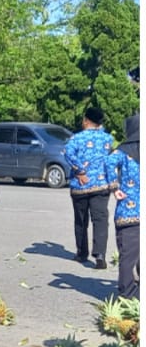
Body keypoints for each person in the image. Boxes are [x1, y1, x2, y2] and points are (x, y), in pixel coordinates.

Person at [64, 104, 115, 269]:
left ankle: (82, 253)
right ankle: (100, 255)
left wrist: (80, 171)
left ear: (86, 120)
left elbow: (68, 153)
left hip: (80, 185)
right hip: (101, 185)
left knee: (81, 220)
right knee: (100, 220)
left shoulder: (76, 139)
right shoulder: (108, 139)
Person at [107, 112, 139, 300]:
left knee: (128, 255)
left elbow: (108, 162)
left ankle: (127, 293)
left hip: (128, 211)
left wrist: (114, 187)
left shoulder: (123, 151)